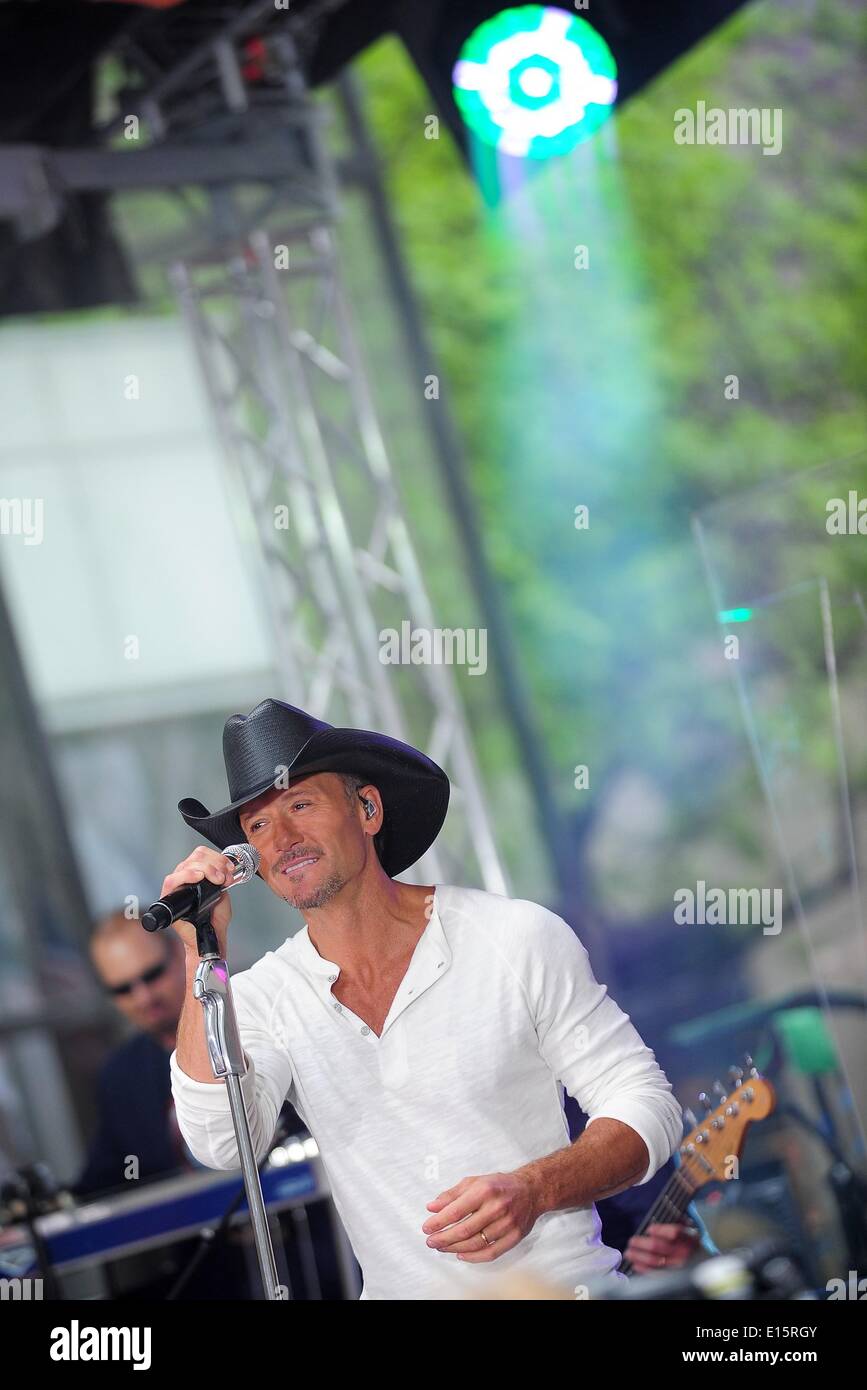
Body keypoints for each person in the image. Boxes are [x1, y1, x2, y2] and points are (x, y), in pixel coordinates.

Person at [169, 698, 684, 1300]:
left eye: (300, 805)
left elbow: (647, 1105)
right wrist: (200, 952)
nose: (280, 839)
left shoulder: (513, 936)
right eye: (256, 827)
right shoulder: (260, 998)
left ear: (367, 808)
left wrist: (534, 1189)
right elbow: (223, 1143)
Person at [76, 913, 191, 1196]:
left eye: (152, 975)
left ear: (179, 952)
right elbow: (104, 1183)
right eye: (123, 989)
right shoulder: (121, 1076)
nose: (143, 998)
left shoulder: (250, 1023)